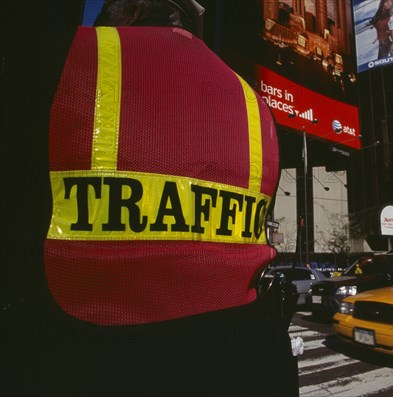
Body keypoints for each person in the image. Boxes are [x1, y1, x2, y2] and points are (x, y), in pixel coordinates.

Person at [1, 1, 298, 395]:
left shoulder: (64, 58)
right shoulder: (254, 103)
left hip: (73, 352)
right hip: (234, 359)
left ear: (130, 11)